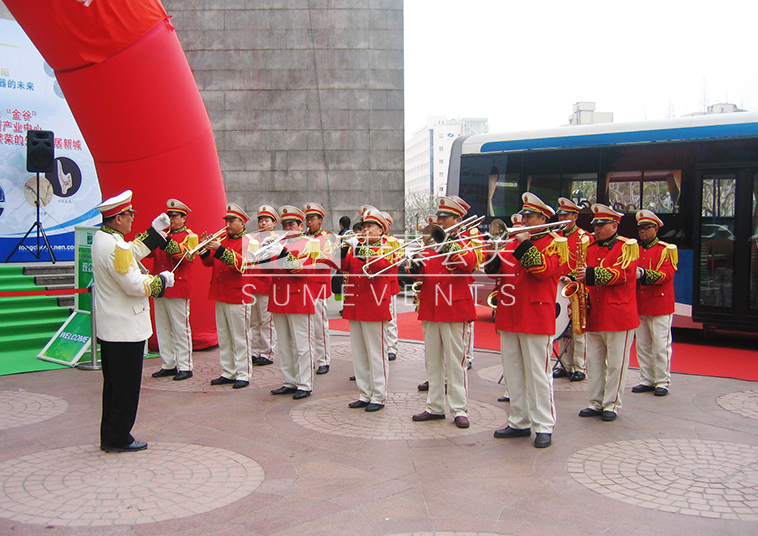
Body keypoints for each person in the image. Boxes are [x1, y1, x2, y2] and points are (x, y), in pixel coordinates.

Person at [92, 190, 174, 453]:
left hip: (112, 328)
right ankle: (119, 438)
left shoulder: (104, 238)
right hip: (125, 328)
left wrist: (155, 232)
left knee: (114, 387)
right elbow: (135, 285)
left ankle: (109, 434)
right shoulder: (115, 245)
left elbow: (131, 252)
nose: (131, 219)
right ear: (117, 218)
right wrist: (161, 281)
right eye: (129, 215)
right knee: (126, 389)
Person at [485, 193, 565, 448]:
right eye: (523, 215)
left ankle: (544, 424)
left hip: (536, 314)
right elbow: (496, 274)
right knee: (513, 371)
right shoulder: (511, 242)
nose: (523, 219)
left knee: (538, 373)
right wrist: (492, 252)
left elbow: (542, 271)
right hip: (510, 312)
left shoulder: (556, 242)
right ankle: (519, 421)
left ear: (543, 218)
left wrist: (523, 244)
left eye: (529, 216)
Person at [410, 195, 477, 429]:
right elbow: (420, 272)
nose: (439, 220)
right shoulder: (431, 240)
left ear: (457, 218)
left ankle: (459, 408)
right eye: (439, 216)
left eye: (444, 217)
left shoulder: (469, 238)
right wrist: (415, 262)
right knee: (433, 360)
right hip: (430, 306)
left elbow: (469, 263)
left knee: (455, 362)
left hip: (454, 307)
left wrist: (447, 241)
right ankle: (435, 406)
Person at [576, 204, 639, 422]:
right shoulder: (591, 248)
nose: (597, 229)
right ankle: (595, 402)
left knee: (616, 364)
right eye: (595, 224)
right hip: (595, 314)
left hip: (618, 315)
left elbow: (623, 275)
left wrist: (590, 274)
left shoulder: (627, 246)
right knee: (593, 362)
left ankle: (611, 404)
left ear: (614, 225)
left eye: (602, 225)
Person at [263, 205, 318, 400]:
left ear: (301, 226)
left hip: (298, 298)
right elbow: (265, 272)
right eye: (284, 224)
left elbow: (301, 271)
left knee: (302, 345)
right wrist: (265, 252)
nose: (287, 227)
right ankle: (289, 381)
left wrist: (282, 252)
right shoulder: (279, 243)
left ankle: (305, 383)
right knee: (284, 344)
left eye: (291, 224)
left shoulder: (309, 243)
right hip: (279, 298)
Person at [341, 209, 393, 411]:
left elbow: (381, 266)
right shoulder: (356, 247)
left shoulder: (387, 246)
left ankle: (378, 395)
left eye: (369, 227)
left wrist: (361, 249)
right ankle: (364, 393)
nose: (364, 230)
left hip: (374, 305)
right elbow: (342, 265)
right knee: (359, 353)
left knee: (376, 353)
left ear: (381, 230)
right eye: (363, 227)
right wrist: (341, 248)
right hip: (355, 305)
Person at [200, 203, 254, 389]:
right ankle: (228, 371)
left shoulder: (249, 241)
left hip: (238, 294)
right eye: (227, 221)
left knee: (240, 336)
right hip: (220, 292)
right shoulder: (222, 239)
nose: (228, 224)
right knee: (224, 336)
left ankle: (243, 373)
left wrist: (220, 249)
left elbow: (241, 265)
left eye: (232, 221)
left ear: (242, 222)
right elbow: (208, 263)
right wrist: (205, 248)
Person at [631, 210, 677, 397]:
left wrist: (644, 274)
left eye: (646, 227)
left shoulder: (666, 249)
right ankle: (647, 379)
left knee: (660, 345)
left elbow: (667, 275)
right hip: (641, 303)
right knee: (642, 345)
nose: (642, 231)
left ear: (656, 229)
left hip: (659, 304)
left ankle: (662, 381)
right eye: (640, 228)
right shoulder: (635, 249)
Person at [150, 199, 195, 381]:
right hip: (161, 285)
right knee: (163, 327)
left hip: (178, 286)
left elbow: (182, 256)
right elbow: (149, 253)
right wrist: (151, 234)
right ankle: (168, 364)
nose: (171, 219)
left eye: (174, 216)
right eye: (169, 215)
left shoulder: (190, 236)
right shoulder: (163, 234)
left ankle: (185, 365)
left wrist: (162, 237)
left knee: (180, 328)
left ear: (184, 218)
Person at [553, 197, 593, 382]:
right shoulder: (557, 236)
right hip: (559, 287)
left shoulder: (584, 237)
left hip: (576, 288)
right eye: (560, 214)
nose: (562, 218)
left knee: (578, 329)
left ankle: (579, 367)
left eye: (566, 215)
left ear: (575, 216)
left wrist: (570, 276)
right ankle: (565, 364)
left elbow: (585, 264)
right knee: (562, 328)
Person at [303, 202, 336, 375]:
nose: (309, 222)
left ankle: (323, 359)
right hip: (303, 285)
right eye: (307, 218)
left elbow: (332, 261)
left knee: (319, 325)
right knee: (305, 326)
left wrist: (316, 254)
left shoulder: (328, 237)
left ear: (320, 220)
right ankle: (309, 358)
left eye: (312, 218)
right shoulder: (303, 236)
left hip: (318, 285)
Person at [248, 204, 279, 367]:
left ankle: (267, 352)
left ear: (274, 223)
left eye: (267, 221)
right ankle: (255, 350)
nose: (263, 224)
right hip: (253, 285)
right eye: (261, 221)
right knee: (254, 321)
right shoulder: (253, 239)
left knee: (267, 321)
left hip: (267, 285)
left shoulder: (277, 238)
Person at [380, 211, 401, 361]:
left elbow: (397, 261)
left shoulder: (394, 242)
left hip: (389, 284)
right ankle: (381, 345)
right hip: (374, 286)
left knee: (391, 317)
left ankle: (391, 346)